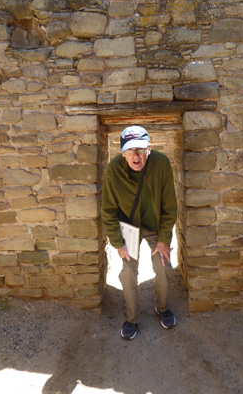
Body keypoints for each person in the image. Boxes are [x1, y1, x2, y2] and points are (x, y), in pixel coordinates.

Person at [101, 125, 177, 340]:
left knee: (163, 267)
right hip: (129, 227)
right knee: (128, 272)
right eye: (131, 151)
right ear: (123, 152)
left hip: (154, 224)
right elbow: (108, 210)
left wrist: (164, 240)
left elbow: (170, 206)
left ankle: (162, 308)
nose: (136, 156)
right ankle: (132, 319)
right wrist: (118, 243)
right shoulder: (113, 170)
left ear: (149, 149)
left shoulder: (161, 164)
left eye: (141, 150)